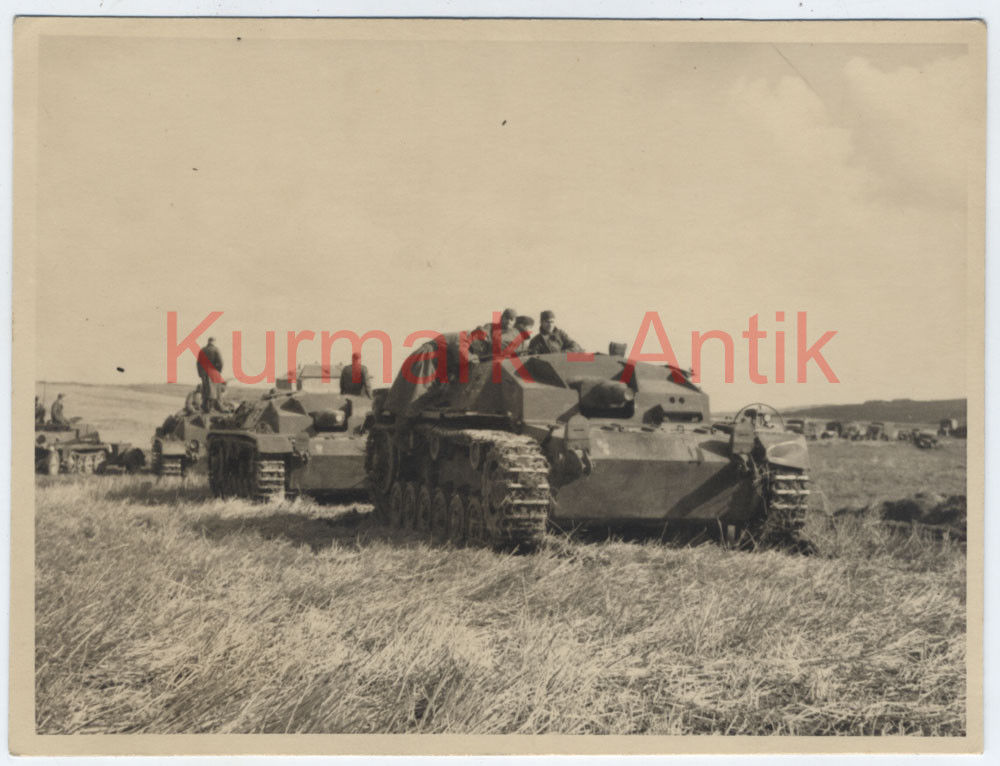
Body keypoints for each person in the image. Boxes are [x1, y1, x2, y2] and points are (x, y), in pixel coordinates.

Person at [196, 337, 225, 413]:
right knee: (214, 391)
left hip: (204, 373)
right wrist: (218, 371)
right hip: (213, 372)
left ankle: (205, 408)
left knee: (206, 390)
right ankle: (211, 409)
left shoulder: (202, 350)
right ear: (214, 342)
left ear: (208, 342)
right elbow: (221, 362)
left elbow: (198, 363)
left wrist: (200, 373)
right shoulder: (216, 349)